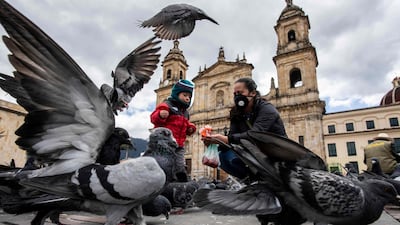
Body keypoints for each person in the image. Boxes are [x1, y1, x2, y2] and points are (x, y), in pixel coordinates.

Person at [202, 77, 287, 180]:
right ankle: (250, 180)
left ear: (253, 93)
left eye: (240, 93)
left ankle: (264, 179)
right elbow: (232, 138)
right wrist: (214, 144)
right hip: (253, 152)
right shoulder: (236, 113)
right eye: (235, 94)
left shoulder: (267, 109)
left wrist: (225, 139)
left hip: (275, 153)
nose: (237, 97)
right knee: (223, 156)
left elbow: (255, 135)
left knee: (233, 155)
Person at [151, 79, 197, 182]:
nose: (187, 98)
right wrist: (160, 115)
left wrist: (190, 128)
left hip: (179, 144)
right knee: (164, 162)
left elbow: (185, 124)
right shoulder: (166, 105)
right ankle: (163, 179)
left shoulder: (185, 113)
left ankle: (180, 178)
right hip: (165, 143)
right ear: (177, 94)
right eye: (185, 95)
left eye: (189, 97)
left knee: (180, 163)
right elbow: (154, 118)